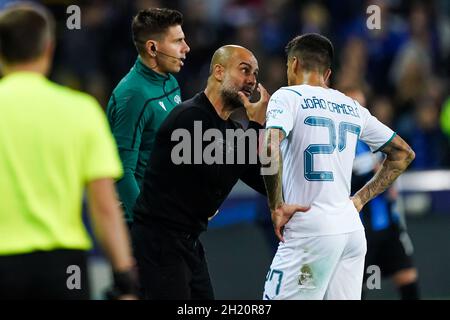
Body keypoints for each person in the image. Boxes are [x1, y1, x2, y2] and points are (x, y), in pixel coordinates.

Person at [261, 33, 415, 300]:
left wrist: (276, 206)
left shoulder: (286, 96)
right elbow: (403, 153)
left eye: (287, 66)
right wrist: (360, 200)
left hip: (310, 229)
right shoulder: (351, 106)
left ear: (294, 64)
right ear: (328, 72)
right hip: (351, 230)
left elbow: (269, 147)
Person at [0, 4, 137, 299]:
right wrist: (125, 278)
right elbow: (104, 205)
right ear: (49, 48)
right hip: (63, 267)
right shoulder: (82, 110)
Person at [132, 45, 269, 299]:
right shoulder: (190, 117)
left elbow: (265, 181)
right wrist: (256, 125)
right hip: (159, 243)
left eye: (255, 74)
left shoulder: (232, 131)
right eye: (244, 70)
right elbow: (215, 181)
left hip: (189, 243)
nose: (252, 80)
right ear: (218, 71)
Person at [106, 8, 190, 227]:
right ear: (153, 48)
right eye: (178, 41)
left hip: (169, 215)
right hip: (142, 225)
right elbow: (122, 171)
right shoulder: (133, 96)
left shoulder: (169, 80)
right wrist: (147, 223)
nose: (186, 48)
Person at [341, 86, 420, 300]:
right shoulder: (339, 142)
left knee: (408, 279)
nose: (359, 110)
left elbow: (403, 158)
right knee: (357, 289)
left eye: (362, 105)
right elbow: (346, 176)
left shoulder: (374, 136)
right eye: (353, 105)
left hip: (388, 226)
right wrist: (374, 167)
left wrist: (387, 176)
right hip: (361, 231)